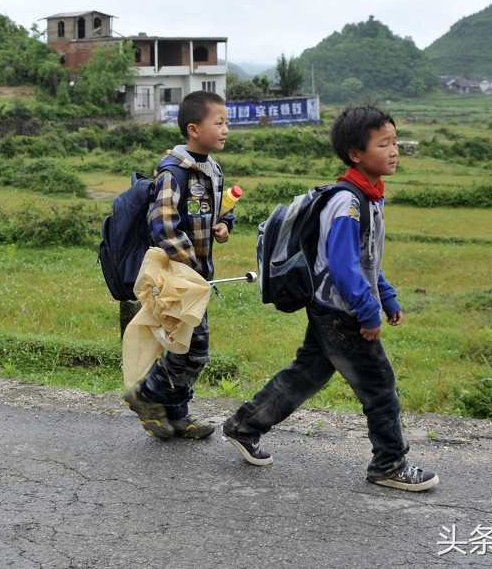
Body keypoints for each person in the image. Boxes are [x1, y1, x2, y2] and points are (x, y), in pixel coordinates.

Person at [221, 104, 439, 491]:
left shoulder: (369, 197)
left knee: (306, 374)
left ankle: (244, 426)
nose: (394, 151)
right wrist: (368, 312)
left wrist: (386, 296)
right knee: (379, 385)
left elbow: (366, 259)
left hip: (332, 308)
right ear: (356, 154)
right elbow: (343, 267)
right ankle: (389, 464)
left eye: (395, 142)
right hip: (341, 313)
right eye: (383, 144)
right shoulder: (348, 202)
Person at [123, 90, 235, 440]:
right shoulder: (174, 172)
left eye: (226, 122)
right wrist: (191, 267)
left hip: (197, 278)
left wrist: (224, 226)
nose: (226, 129)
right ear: (193, 129)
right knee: (195, 350)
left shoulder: (212, 169)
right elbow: (164, 227)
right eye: (218, 123)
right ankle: (147, 394)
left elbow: (219, 212)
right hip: (179, 278)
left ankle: (177, 415)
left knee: (182, 343)